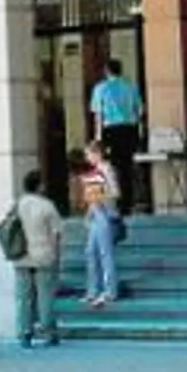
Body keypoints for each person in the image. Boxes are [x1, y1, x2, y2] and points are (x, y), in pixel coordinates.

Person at [14, 169, 64, 348]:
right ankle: (49, 332)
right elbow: (56, 233)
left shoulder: (17, 205)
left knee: (23, 297)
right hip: (44, 255)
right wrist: (57, 255)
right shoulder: (47, 206)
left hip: (21, 255)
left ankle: (25, 333)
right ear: (40, 186)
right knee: (45, 296)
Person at [89, 59, 144, 214]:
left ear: (106, 71)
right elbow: (139, 111)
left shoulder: (101, 88)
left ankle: (110, 201)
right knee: (126, 166)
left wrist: (98, 137)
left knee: (108, 166)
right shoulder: (131, 87)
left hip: (110, 131)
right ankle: (127, 203)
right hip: (129, 130)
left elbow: (98, 115)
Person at [78, 142, 121, 308]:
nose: (87, 158)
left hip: (105, 213)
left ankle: (110, 291)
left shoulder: (106, 169)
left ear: (98, 154)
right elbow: (92, 197)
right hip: (96, 213)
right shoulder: (94, 172)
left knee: (105, 252)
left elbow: (116, 192)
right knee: (90, 251)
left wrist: (100, 195)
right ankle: (93, 290)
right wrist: (88, 213)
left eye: (89, 154)